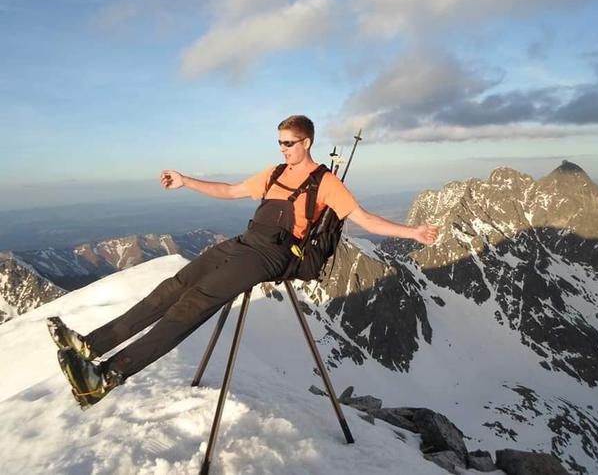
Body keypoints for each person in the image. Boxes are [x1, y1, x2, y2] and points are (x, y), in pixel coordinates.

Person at [49, 115, 439, 409]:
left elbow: (365, 219)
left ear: (307, 142)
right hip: (245, 242)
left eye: (288, 142)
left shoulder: (326, 183)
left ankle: (106, 377)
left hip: (274, 255)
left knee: (195, 301)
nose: (283, 148)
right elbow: (232, 190)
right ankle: (90, 345)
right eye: (280, 142)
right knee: (174, 287)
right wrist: (187, 181)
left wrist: (413, 232)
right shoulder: (272, 173)